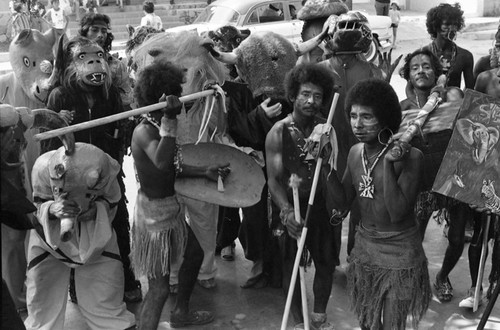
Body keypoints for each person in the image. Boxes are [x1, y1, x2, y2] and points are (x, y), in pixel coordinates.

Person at [130, 60, 229, 329]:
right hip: (153, 220)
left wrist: (203, 171)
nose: (182, 101)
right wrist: (170, 119)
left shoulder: (155, 125)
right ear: (163, 97)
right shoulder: (144, 130)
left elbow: (171, 166)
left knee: (195, 253)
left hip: (169, 210)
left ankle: (181, 312)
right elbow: (162, 161)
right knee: (159, 290)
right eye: (176, 94)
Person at [326, 78, 431, 329]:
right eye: (353, 116)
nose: (357, 125)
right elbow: (341, 206)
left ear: (384, 119)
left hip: (400, 252)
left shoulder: (410, 157)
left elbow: (396, 212)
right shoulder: (354, 152)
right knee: (368, 323)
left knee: (393, 325)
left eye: (367, 117)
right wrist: (325, 165)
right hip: (365, 249)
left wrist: (387, 164)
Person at [266, 63, 337, 330]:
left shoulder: (326, 129)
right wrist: (286, 213)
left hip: (319, 206)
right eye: (305, 94)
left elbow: (332, 172)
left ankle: (319, 317)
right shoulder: (279, 131)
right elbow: (273, 180)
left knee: (326, 262)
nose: (311, 101)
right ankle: (298, 322)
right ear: (293, 96)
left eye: (317, 96)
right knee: (291, 266)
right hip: (289, 207)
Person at [399, 48, 473, 303]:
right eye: (415, 67)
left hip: (454, 179)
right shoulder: (403, 109)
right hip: (422, 184)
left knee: (456, 238)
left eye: (427, 66)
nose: (421, 70)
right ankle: (417, 280)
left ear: (436, 72)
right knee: (415, 239)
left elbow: (474, 127)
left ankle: (442, 277)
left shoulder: (453, 96)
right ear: (408, 76)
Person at [423, 3, 474, 89]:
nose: (452, 29)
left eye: (454, 25)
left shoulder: (465, 56)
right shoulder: (423, 54)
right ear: (436, 26)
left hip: (454, 101)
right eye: (446, 25)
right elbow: (411, 88)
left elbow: (470, 90)